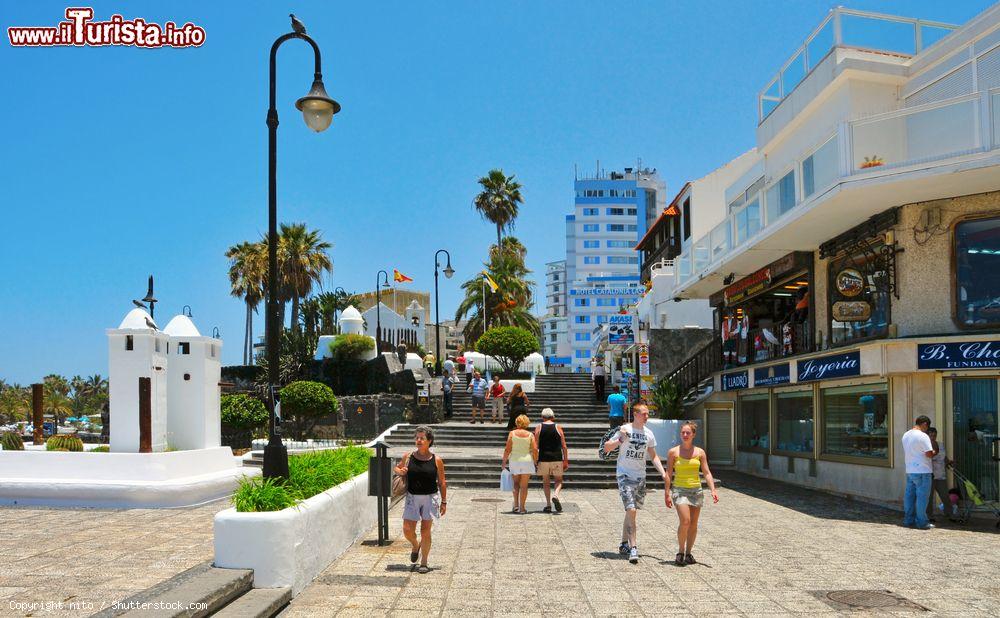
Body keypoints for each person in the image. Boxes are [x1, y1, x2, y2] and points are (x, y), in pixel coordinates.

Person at [602, 403, 667, 564]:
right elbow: (606, 447)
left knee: (631, 511)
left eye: (647, 414)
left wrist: (663, 473)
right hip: (624, 475)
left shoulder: (649, 434)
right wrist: (620, 439)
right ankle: (633, 548)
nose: (647, 416)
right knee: (631, 509)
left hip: (640, 477)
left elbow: (653, 456)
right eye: (644, 414)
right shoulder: (625, 429)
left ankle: (624, 543)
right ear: (636, 414)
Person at [664, 422, 719, 566]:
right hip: (680, 490)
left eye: (688, 433)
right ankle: (680, 552)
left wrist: (712, 489)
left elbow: (706, 472)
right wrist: (667, 493)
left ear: (694, 434)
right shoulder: (673, 452)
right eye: (683, 432)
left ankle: (689, 553)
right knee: (685, 521)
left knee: (694, 524)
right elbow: (668, 473)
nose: (685, 435)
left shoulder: (700, 452)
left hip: (696, 490)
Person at [394, 426, 447, 574]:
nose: (418, 440)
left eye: (422, 438)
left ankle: (424, 562)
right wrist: (400, 471)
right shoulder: (408, 457)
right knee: (407, 530)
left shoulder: (437, 460)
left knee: (425, 531)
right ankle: (415, 545)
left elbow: (442, 482)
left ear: (429, 441)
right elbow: (396, 469)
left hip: (430, 498)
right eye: (417, 437)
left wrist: (444, 502)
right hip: (412, 497)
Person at [902, 415, 936, 530]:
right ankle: (922, 522)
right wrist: (934, 451)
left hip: (910, 470)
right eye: (927, 426)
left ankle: (908, 520)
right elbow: (929, 454)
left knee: (909, 496)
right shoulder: (923, 436)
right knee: (922, 497)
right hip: (923, 470)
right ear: (925, 424)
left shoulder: (906, 435)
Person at [534, 408, 569, 513]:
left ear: (542, 417)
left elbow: (535, 446)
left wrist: (535, 459)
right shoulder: (558, 427)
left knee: (546, 482)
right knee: (558, 480)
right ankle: (556, 495)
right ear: (553, 417)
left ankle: (548, 505)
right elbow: (564, 446)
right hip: (556, 457)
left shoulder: (539, 427)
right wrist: (566, 460)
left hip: (543, 457)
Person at [503, 414, 538, 514]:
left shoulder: (512, 433)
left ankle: (516, 505)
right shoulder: (530, 435)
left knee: (515, 484)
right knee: (524, 486)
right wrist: (535, 460)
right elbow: (535, 449)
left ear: (517, 423)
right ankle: (522, 508)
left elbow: (507, 449)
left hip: (515, 460)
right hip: (527, 461)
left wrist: (504, 462)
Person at [927, 427, 952, 522]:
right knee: (929, 497)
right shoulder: (925, 446)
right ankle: (929, 515)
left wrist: (948, 461)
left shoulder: (940, 444)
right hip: (930, 474)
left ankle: (949, 513)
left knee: (945, 495)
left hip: (941, 474)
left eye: (934, 435)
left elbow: (943, 456)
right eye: (931, 435)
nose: (933, 437)